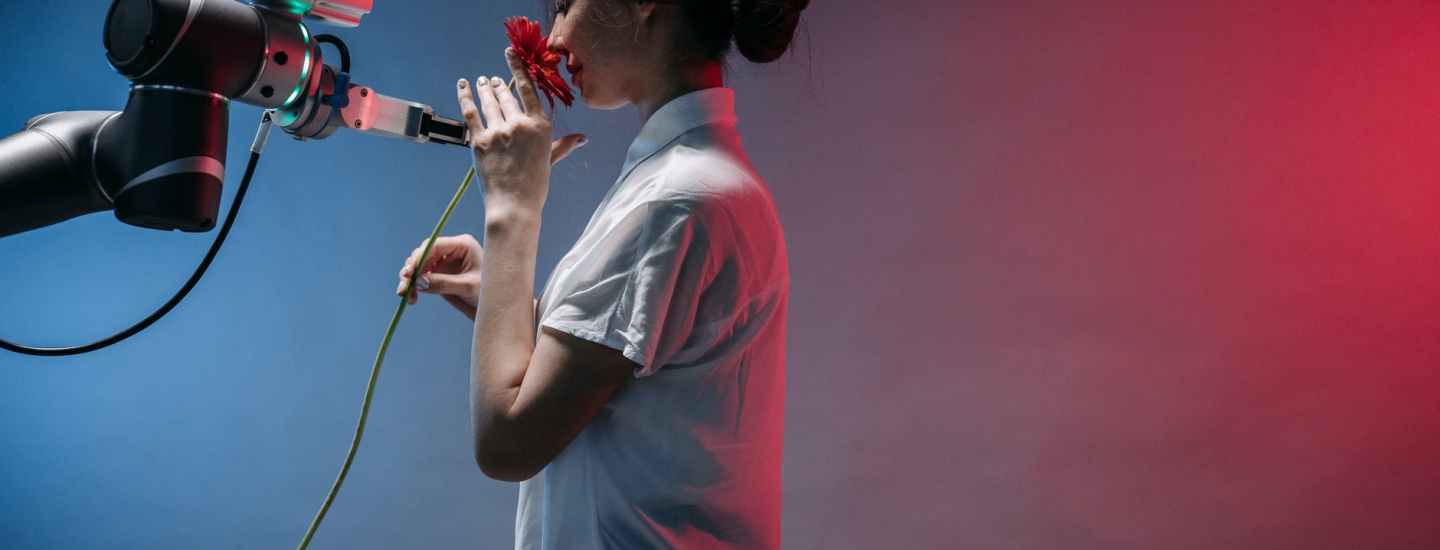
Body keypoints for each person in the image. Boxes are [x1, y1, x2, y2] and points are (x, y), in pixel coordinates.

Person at [394, 0, 807, 547]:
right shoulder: (691, 179)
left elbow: (506, 444)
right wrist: (500, 295)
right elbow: (622, 368)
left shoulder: (676, 200)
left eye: (565, 5)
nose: (553, 37)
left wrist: (512, 209)